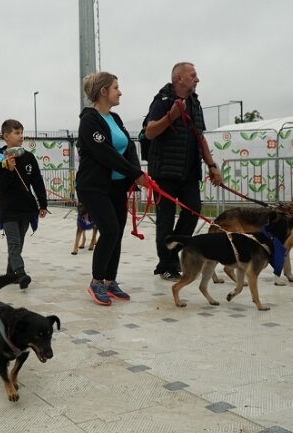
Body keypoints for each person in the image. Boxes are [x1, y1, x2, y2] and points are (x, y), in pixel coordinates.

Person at [145, 62, 222, 280]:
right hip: (164, 172)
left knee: (193, 210)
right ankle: (166, 264)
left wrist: (212, 165)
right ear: (179, 78)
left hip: (189, 172)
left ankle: (173, 252)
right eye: (193, 75)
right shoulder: (161, 100)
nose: (197, 79)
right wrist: (171, 116)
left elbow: (200, 138)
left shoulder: (195, 103)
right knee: (165, 220)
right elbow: (149, 132)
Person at [76, 72, 147, 306]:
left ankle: (110, 281)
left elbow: (129, 148)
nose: (120, 92)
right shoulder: (89, 120)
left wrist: (136, 173)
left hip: (117, 186)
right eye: (116, 87)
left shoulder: (115, 119)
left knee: (117, 231)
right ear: (103, 92)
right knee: (109, 229)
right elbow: (104, 153)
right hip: (94, 187)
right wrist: (135, 173)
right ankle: (96, 281)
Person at [0, 119, 49, 289]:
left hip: (26, 208)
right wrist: (9, 170)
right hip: (8, 209)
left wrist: (43, 204)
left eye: (21, 133)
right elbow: (2, 185)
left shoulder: (29, 157)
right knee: (14, 243)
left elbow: (37, 181)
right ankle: (21, 273)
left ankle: (11, 274)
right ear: (6, 136)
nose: (21, 136)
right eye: (16, 133)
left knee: (20, 242)